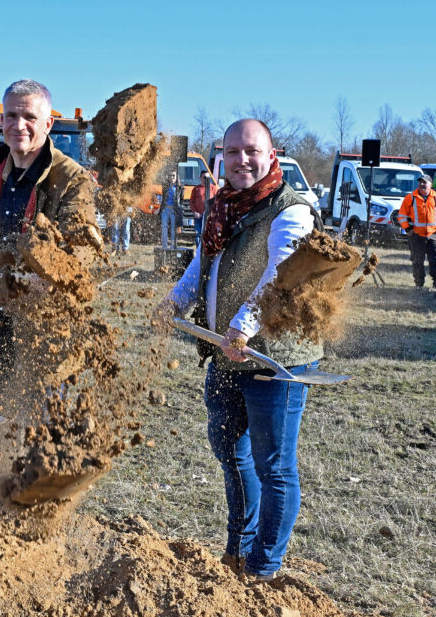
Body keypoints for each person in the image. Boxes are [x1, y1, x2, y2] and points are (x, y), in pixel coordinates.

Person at [156, 119, 323, 582]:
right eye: (232, 152)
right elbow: (201, 265)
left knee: (274, 465)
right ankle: (238, 551)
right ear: (220, 157)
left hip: (275, 358)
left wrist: (242, 327)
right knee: (230, 450)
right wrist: (173, 301)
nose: (241, 160)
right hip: (225, 354)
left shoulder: (292, 210)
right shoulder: (220, 208)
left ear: (272, 156)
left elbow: (278, 272)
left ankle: (263, 570)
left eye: (251, 151)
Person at [0, 79, 99, 411]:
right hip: (0, 321)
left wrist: (54, 275)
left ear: (48, 124)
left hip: (48, 328)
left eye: (29, 117)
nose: (19, 125)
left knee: (43, 429)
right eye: (11, 115)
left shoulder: (72, 178)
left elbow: (82, 247)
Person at [398, 174, 436, 291]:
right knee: (418, 261)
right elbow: (402, 215)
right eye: (420, 182)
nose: (422, 184)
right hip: (417, 236)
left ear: (430, 184)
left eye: (425, 182)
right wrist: (408, 229)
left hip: (433, 235)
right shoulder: (410, 197)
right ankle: (419, 285)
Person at [160, 171, 184, 249]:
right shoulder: (165, 186)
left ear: (177, 177)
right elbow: (163, 198)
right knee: (164, 227)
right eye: (170, 175)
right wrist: (160, 209)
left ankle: (173, 245)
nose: (172, 177)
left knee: (174, 228)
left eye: (173, 176)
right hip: (165, 208)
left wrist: (179, 209)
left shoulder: (180, 187)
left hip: (174, 210)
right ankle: (164, 246)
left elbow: (181, 200)